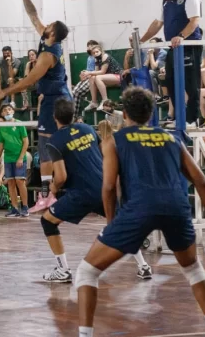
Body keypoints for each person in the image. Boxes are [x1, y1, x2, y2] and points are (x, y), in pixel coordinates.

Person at [75, 87, 205, 337]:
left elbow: (108, 187)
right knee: (193, 269)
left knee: (87, 272)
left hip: (140, 206)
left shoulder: (113, 140)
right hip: (176, 206)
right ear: (151, 114)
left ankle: (84, 335)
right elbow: (201, 182)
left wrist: (112, 224)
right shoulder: (172, 139)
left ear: (125, 113)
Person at [37, 98, 152, 284]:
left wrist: (53, 188)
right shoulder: (88, 129)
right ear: (73, 114)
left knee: (47, 222)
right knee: (120, 224)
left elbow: (61, 176)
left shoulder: (54, 141)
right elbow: (105, 153)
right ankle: (143, 266)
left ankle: (63, 270)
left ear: (54, 117)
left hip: (81, 193)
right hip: (103, 187)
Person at [0, 0, 72, 214]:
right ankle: (48, 195)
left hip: (57, 102)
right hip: (53, 99)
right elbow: (33, 14)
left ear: (53, 33)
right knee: (48, 149)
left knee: (50, 149)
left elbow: (28, 81)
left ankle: (49, 195)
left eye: (50, 25)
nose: (45, 24)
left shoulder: (48, 55)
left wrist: (3, 92)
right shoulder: (47, 39)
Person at [139, 0, 203, 127]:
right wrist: (141, 40)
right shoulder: (166, 0)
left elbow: (194, 21)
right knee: (170, 81)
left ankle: (192, 119)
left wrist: (181, 36)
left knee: (191, 84)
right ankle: (179, 118)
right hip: (173, 48)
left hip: (188, 47)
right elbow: (157, 23)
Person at [0, 103, 30, 217]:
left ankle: (25, 207)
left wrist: (20, 158)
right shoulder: (1, 128)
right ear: (2, 114)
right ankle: (15, 208)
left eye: (9, 109)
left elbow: (26, 142)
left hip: (19, 158)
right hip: (8, 158)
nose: (7, 111)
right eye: (5, 110)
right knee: (10, 183)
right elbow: (1, 145)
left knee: (20, 182)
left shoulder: (19, 124)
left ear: (13, 111)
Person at [0, 46, 22, 117]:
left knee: (10, 79)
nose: (6, 55)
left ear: (11, 53)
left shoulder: (17, 61)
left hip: (15, 82)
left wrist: (9, 64)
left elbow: (12, 75)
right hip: (4, 83)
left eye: (8, 53)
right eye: (4, 54)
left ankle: (12, 101)